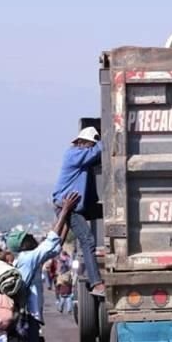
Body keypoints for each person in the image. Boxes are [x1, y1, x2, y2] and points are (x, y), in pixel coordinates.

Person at [5, 192, 79, 342]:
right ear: (23, 245)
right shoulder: (27, 258)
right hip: (26, 322)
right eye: (29, 239)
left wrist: (65, 218)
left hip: (19, 322)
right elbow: (50, 242)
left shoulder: (24, 260)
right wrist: (65, 211)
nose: (33, 240)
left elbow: (54, 246)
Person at [52, 126, 105, 297]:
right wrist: (111, 136)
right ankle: (96, 283)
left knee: (66, 241)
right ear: (82, 143)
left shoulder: (80, 156)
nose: (91, 147)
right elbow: (98, 150)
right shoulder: (74, 154)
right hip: (68, 206)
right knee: (88, 241)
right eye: (90, 143)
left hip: (72, 206)